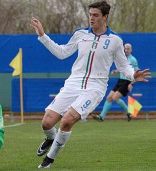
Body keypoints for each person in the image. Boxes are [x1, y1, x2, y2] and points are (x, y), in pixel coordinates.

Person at [30, 0, 151, 169]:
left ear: (105, 17)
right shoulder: (80, 34)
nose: (91, 18)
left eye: (95, 15)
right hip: (73, 83)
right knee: (47, 123)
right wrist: (43, 36)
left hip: (95, 88)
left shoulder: (115, 40)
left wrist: (132, 74)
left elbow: (123, 65)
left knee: (67, 121)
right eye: (90, 15)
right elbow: (62, 53)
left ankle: (48, 160)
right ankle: (50, 138)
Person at [92, 43, 138, 122]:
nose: (126, 50)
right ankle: (101, 117)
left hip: (127, 81)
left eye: (128, 49)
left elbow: (137, 73)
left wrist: (131, 84)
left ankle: (129, 112)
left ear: (131, 50)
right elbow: (122, 68)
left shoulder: (133, 60)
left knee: (115, 98)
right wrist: (116, 71)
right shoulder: (122, 58)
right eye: (125, 49)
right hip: (120, 80)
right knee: (109, 98)